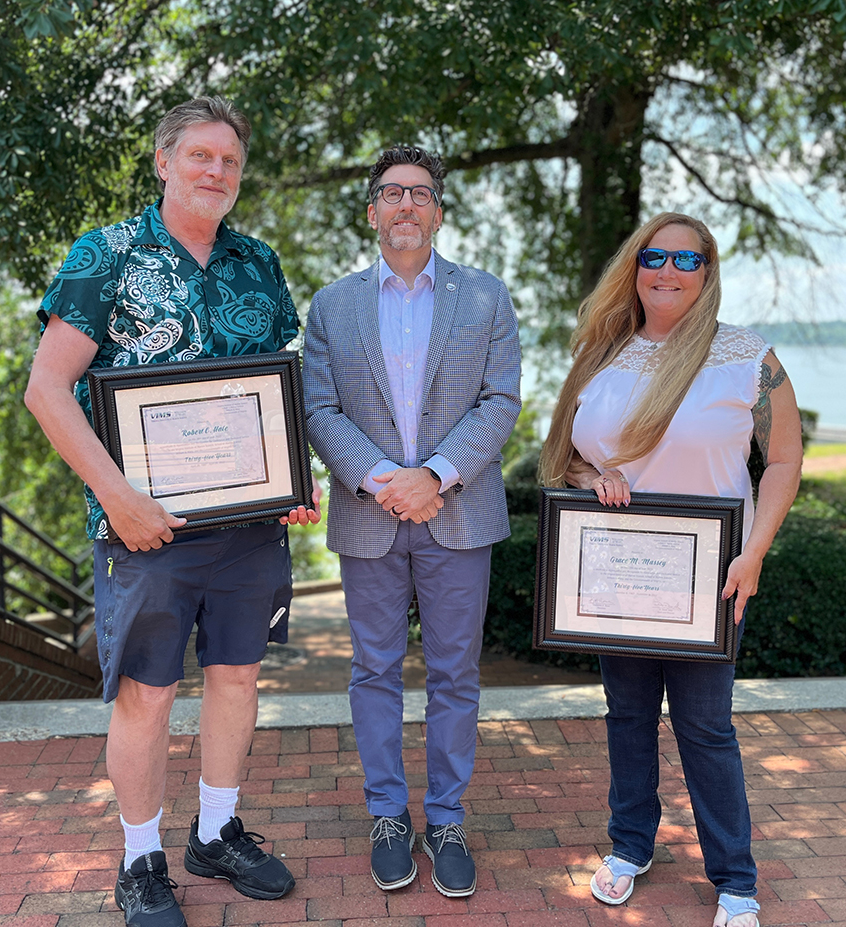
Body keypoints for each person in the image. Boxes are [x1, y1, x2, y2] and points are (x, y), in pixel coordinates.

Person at [25, 96, 320, 927]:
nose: (215, 171)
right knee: (148, 696)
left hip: (250, 530)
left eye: (229, 160)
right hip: (144, 529)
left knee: (236, 680)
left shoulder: (259, 263)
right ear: (164, 161)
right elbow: (47, 391)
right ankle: (141, 857)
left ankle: (217, 834)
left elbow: (276, 387)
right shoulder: (106, 256)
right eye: (199, 156)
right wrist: (117, 497)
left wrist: (294, 476)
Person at [539, 213, 802, 927]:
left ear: (708, 272)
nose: (668, 270)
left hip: (710, 579)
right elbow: (563, 455)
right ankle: (630, 848)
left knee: (705, 728)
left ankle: (736, 882)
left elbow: (783, 461)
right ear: (635, 265)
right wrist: (593, 477)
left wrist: (754, 553)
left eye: (687, 259)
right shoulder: (601, 353)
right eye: (653, 256)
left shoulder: (749, 356)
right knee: (626, 717)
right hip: (616, 577)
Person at [302, 146, 521, 899]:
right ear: (371, 211)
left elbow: (500, 403)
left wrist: (434, 476)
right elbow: (320, 410)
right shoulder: (331, 306)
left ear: (438, 211)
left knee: (457, 675)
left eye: (420, 194)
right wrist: (382, 481)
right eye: (391, 193)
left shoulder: (487, 297)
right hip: (371, 518)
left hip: (459, 513)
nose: (406, 205)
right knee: (374, 671)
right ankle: (389, 816)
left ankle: (449, 818)